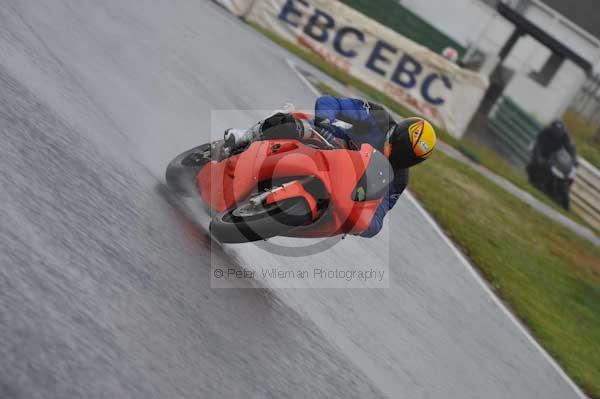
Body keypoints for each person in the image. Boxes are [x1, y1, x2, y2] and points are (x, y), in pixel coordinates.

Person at [224, 96, 437, 237]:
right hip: (326, 142)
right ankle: (245, 136)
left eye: (409, 157)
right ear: (398, 135)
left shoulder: (399, 177)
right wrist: (325, 122)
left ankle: (273, 208)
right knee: (290, 122)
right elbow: (332, 102)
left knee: (339, 220)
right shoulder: (378, 117)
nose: (401, 157)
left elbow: (379, 214)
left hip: (343, 187)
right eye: (402, 149)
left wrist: (364, 225)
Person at [527, 120, 578, 185]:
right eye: (555, 132)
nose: (557, 134)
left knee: (562, 172)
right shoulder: (544, 133)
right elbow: (536, 146)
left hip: (553, 158)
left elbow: (571, 149)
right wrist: (538, 158)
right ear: (551, 129)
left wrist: (574, 162)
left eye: (559, 133)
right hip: (541, 155)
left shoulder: (565, 136)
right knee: (533, 167)